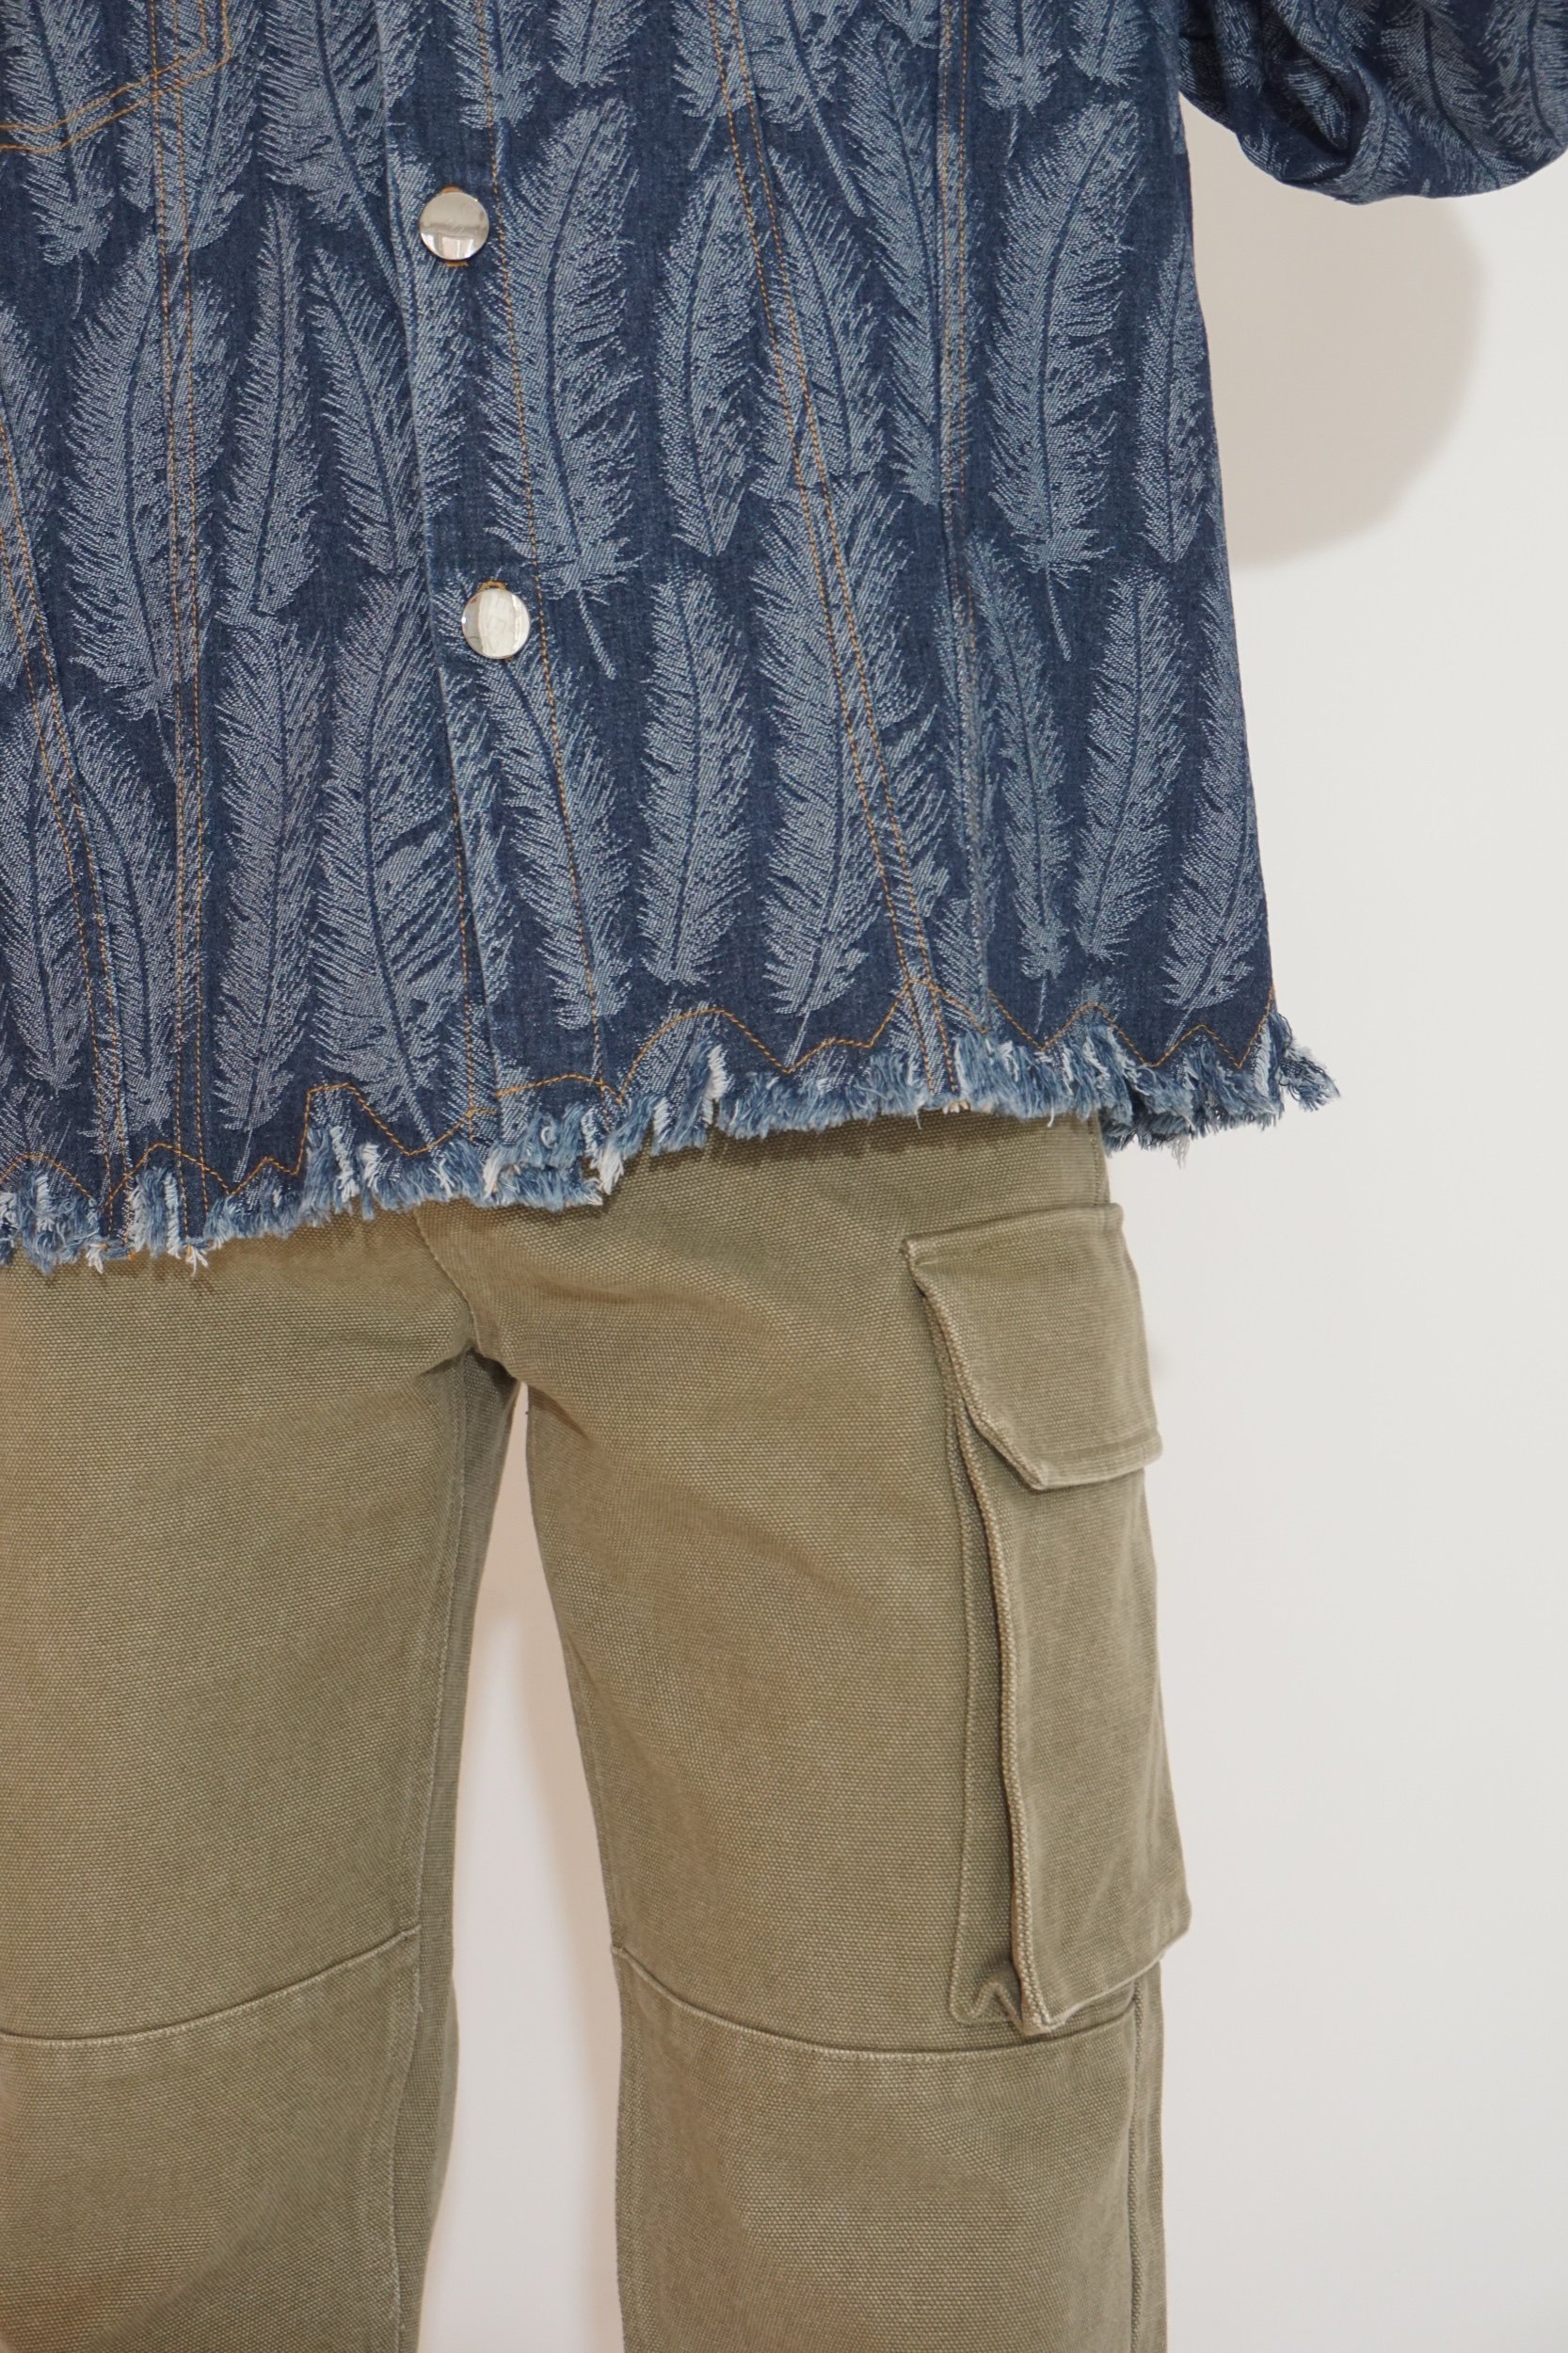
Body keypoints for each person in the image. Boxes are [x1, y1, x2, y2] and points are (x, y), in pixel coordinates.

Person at [0, 2, 1561, 2345]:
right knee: (103, 2204)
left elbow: (1439, 69)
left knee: (915, 2230)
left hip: (846, 1030)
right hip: (139, 1059)